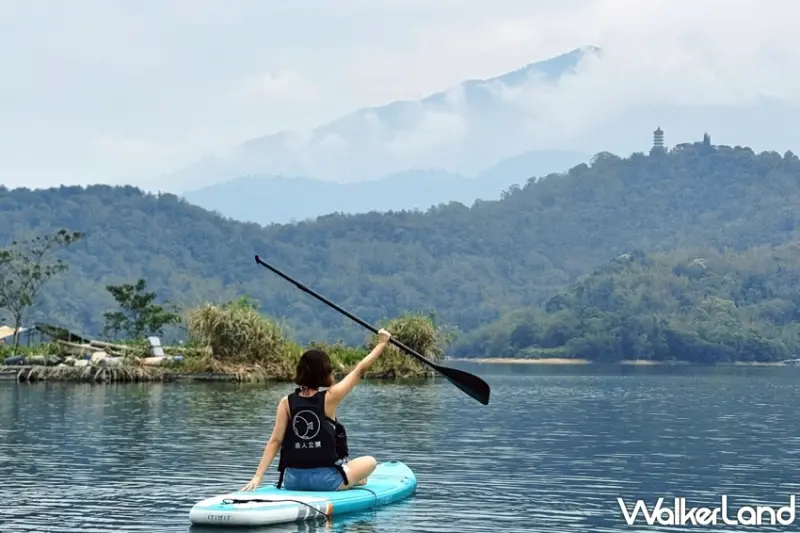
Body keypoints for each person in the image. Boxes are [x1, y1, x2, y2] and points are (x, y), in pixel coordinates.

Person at [241, 328, 393, 492]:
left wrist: (258, 476)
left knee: (354, 472)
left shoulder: (286, 402)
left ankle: (355, 479)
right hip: (326, 482)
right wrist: (382, 343)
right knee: (370, 462)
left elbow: (275, 441)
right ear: (324, 374)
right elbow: (360, 369)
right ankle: (353, 480)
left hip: (293, 481)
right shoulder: (330, 397)